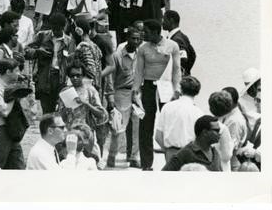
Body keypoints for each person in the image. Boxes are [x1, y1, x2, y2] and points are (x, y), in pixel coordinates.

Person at [132, 18, 181, 170]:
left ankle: (172, 162)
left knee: (169, 124)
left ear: (155, 32)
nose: (143, 34)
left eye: (146, 32)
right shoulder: (143, 48)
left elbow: (176, 69)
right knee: (146, 125)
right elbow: (139, 71)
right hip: (148, 87)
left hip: (166, 88)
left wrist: (177, 88)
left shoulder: (172, 45)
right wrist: (135, 89)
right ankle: (147, 165)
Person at [106, 25, 142, 169]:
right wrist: (110, 97)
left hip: (137, 92)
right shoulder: (117, 56)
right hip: (122, 93)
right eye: (133, 38)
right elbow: (110, 79)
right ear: (127, 39)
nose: (136, 41)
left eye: (139, 39)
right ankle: (111, 156)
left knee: (138, 126)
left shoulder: (142, 54)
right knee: (118, 127)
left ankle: (134, 157)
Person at [25, 13, 75, 113]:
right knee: (46, 110)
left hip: (61, 80)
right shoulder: (42, 36)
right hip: (44, 78)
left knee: (60, 111)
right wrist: (38, 52)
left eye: (58, 29)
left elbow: (72, 62)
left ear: (63, 27)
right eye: (53, 29)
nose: (55, 32)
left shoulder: (69, 42)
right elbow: (26, 51)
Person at [0, 58, 26, 169]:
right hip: (0, 131)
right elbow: (5, 112)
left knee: (18, 165)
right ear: (8, 72)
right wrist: (14, 95)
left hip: (13, 130)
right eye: (17, 70)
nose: (19, 74)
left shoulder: (10, 86)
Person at [155, 75, 204, 163]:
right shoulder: (199, 112)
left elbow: (158, 136)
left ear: (181, 89)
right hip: (190, 154)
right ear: (197, 92)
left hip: (171, 153)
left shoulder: (167, 107)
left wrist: (167, 151)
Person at [57, 60, 107, 133]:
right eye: (72, 75)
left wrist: (86, 104)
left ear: (83, 75)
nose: (75, 78)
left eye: (78, 75)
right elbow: (60, 117)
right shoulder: (65, 92)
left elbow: (101, 114)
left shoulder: (90, 90)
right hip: (69, 131)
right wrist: (66, 109)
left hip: (86, 131)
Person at [163, 10, 197, 75]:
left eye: (164, 19)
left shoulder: (176, 39)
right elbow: (193, 55)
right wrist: (187, 71)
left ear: (171, 20)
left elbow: (183, 59)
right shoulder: (182, 36)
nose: (162, 22)